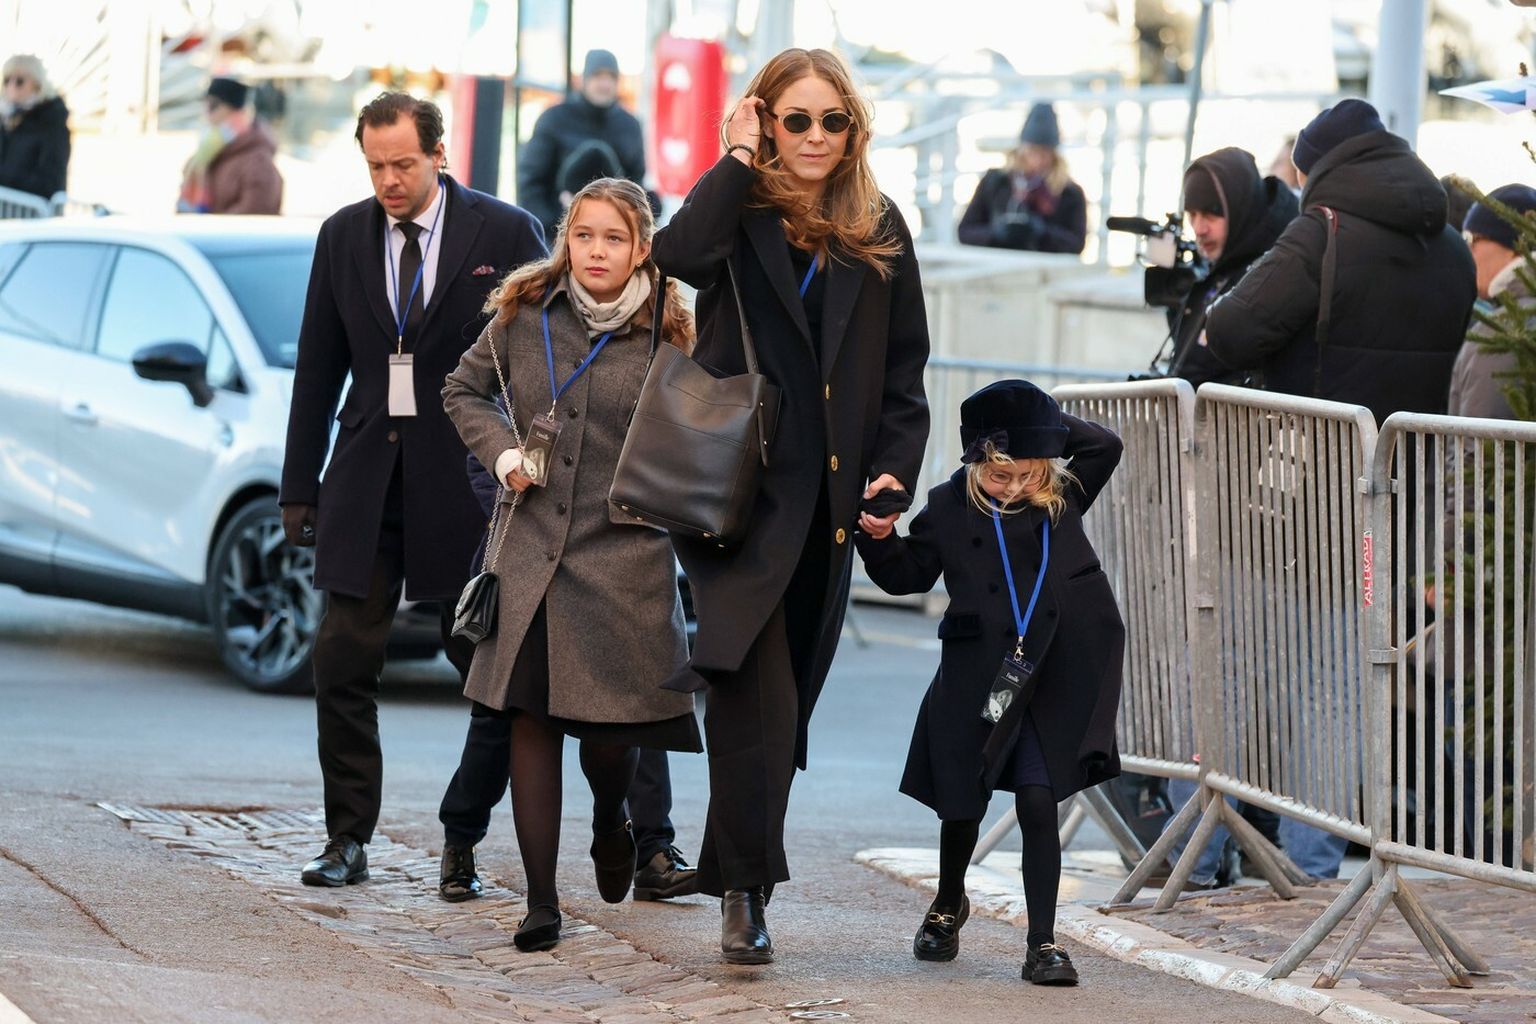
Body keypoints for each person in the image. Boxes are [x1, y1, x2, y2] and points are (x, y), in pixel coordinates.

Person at [651, 47, 930, 965]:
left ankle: (735, 869)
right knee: (750, 689)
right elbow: (677, 256)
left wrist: (893, 471)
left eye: (832, 121)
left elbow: (904, 374)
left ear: (854, 129)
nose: (815, 137)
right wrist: (736, 157)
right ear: (767, 120)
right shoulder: (740, 209)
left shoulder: (878, 226)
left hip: (829, 504)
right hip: (737, 494)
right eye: (796, 119)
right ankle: (745, 894)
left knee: (785, 703)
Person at [279, 92, 546, 889]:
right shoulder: (342, 236)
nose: (389, 181)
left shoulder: (505, 232)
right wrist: (299, 486)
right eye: (375, 167)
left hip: (466, 483)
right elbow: (317, 368)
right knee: (341, 660)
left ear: (438, 154)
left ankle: (461, 838)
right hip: (365, 480)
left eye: (402, 164)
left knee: (481, 666)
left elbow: (541, 360)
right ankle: (346, 839)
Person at [441, 177, 702, 952]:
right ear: (566, 238)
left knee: (611, 741)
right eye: (584, 234)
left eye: (613, 238)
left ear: (641, 249)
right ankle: (542, 902)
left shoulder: (670, 330)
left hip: (625, 560)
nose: (596, 251)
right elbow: (463, 391)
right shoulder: (525, 312)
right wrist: (504, 453)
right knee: (530, 721)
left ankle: (612, 818)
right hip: (530, 554)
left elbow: (700, 435)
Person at [855, 380, 1125, 986]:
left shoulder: (1060, 495)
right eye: (1001, 475)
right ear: (977, 459)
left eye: (1028, 473)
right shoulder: (949, 505)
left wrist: (1037, 426)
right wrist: (880, 540)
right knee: (962, 803)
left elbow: (1104, 445)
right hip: (981, 675)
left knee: (1038, 801)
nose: (1015, 487)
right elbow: (908, 577)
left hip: (1048, 675)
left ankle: (1043, 943)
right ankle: (949, 902)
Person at [435, 440, 700, 905]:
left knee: (634, 709)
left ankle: (652, 848)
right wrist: (524, 508)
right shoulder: (527, 389)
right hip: (528, 562)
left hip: (610, 559)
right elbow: (484, 450)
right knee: (501, 723)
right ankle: (461, 838)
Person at [1204, 98, 1477, 427]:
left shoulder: (1320, 233)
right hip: (1421, 453)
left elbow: (1231, 332)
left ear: (1315, 171)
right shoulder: (1455, 247)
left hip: (1326, 451)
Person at [1165, 147, 1298, 387]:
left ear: (1241, 207)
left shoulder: (1273, 270)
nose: (1199, 228)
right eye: (1192, 215)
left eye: (1211, 214)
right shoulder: (1223, 262)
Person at [517, 49, 654, 240]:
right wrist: (552, 230)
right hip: (558, 232)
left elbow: (637, 182)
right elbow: (531, 181)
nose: (604, 84)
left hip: (612, 231)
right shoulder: (554, 119)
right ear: (584, 79)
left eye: (611, 77)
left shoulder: (630, 125)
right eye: (598, 75)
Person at [1448, 183, 1536, 419]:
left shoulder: (1501, 334)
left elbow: (1478, 440)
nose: (1467, 249)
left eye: (1471, 238)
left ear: (1515, 246)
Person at [957, 103, 1087, 255]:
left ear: (1054, 155)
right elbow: (965, 232)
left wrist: (1043, 233)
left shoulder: (1069, 193)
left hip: (1044, 266)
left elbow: (1076, 244)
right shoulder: (996, 182)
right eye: (1033, 151)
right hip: (997, 262)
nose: (1038, 160)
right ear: (1022, 150)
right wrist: (996, 233)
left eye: (1044, 153)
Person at [177, 77, 284, 215]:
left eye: (213, 105)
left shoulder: (257, 161)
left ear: (234, 109)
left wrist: (210, 225)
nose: (207, 113)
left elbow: (255, 215)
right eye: (205, 104)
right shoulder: (207, 154)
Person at [0, 54, 69, 200]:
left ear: (37, 85)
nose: (11, 86)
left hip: (30, 210)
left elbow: (51, 182)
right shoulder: (5, 120)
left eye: (19, 81)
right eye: (7, 80)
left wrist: (7, 181)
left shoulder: (52, 122)